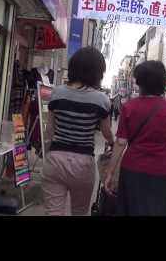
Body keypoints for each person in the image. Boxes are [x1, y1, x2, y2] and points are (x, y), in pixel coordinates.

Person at [104, 61, 166, 216]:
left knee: (131, 209)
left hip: (133, 169)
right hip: (163, 171)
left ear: (139, 82)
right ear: (162, 82)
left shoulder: (130, 107)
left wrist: (110, 172)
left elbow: (121, 143)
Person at [42, 47, 114, 216]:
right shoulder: (102, 100)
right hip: (83, 164)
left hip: (55, 160)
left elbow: (50, 129)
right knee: (80, 211)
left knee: (53, 212)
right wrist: (113, 144)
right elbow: (106, 133)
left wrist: (46, 150)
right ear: (97, 72)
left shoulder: (57, 93)